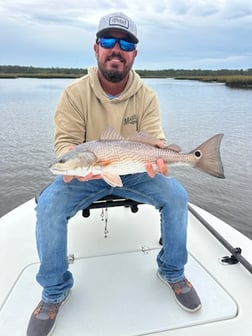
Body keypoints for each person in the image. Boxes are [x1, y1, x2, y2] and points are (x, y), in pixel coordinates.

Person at [27, 11, 201, 336]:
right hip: (85, 174)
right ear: (96, 49)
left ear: (134, 53)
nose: (116, 49)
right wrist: (73, 169)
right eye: (108, 41)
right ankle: (53, 292)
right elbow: (66, 145)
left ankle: (173, 272)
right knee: (49, 205)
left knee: (176, 195)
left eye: (125, 43)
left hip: (134, 170)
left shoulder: (147, 96)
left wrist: (166, 158)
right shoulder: (74, 94)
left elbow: (154, 142)